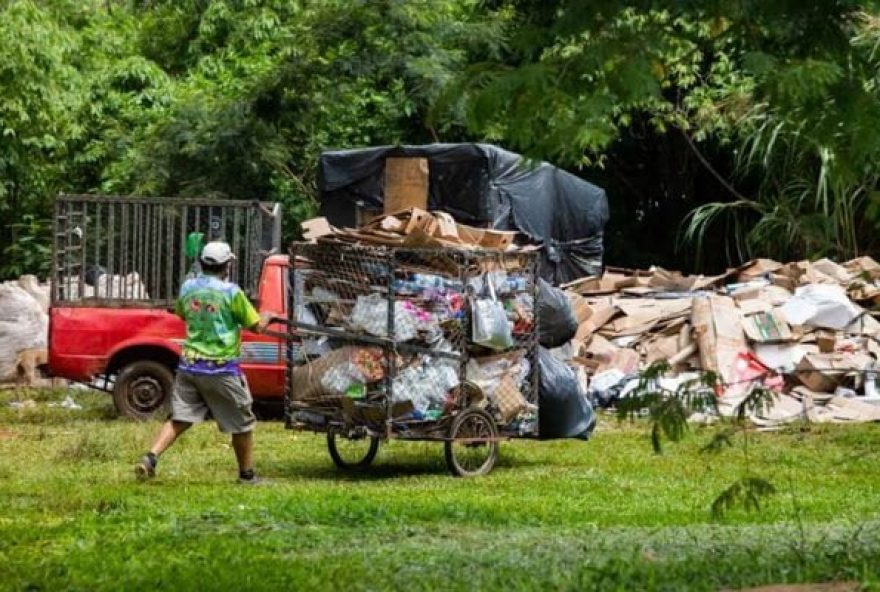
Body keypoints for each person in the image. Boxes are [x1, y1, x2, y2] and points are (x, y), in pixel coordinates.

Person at [135, 241, 271, 483]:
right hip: (221, 368)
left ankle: (150, 457)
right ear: (226, 266)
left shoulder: (188, 288)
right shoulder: (232, 293)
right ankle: (247, 475)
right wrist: (267, 317)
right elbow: (256, 326)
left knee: (180, 418)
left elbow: (182, 313)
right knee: (242, 423)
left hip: (189, 365)